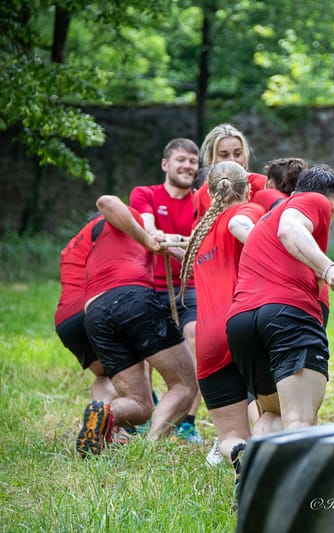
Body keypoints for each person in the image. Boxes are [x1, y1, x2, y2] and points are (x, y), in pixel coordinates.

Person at [226, 164, 334, 440]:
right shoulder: (316, 201)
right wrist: (327, 267)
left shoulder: (267, 219)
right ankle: (299, 483)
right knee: (300, 422)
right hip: (286, 315)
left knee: (272, 416)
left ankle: (253, 471)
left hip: (242, 323)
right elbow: (290, 229)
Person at [76, 195, 198, 457]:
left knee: (140, 405)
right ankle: (151, 450)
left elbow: (189, 261)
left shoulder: (101, 241)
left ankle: (105, 412)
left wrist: (161, 243)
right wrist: (147, 239)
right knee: (185, 385)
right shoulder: (129, 220)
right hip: (132, 298)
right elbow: (106, 201)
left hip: (95, 313)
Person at [179, 161, 265, 488]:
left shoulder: (201, 231)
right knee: (271, 414)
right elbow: (242, 226)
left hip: (208, 341)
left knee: (229, 434)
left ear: (210, 192)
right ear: (248, 188)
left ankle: (240, 455)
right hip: (244, 326)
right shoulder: (247, 210)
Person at [129, 138, 203, 444]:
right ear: (165, 164)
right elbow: (147, 229)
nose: (187, 166)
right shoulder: (145, 194)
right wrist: (161, 240)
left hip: (190, 286)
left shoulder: (202, 201)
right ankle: (147, 413)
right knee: (142, 349)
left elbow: (199, 252)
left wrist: (166, 243)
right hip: (148, 284)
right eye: (181, 160)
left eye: (193, 162)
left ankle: (187, 420)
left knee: (198, 335)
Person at [55, 212, 117, 405]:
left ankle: (98, 415)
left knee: (106, 374)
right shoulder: (104, 228)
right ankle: (127, 425)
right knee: (131, 364)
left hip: (66, 320)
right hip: (94, 310)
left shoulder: (71, 247)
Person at [194, 123, 268, 221]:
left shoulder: (262, 184)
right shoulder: (204, 193)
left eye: (237, 154)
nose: (232, 160)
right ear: (211, 159)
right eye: (224, 155)